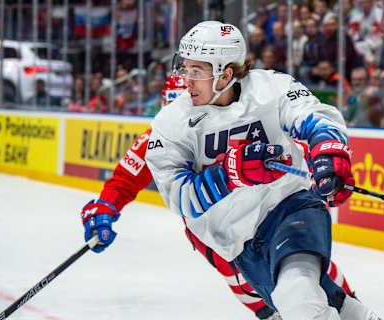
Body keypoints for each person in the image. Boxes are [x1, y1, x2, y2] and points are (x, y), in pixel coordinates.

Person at [144, 21, 381, 319]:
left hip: (291, 206)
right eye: (185, 68)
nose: (186, 80)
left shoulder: (271, 88)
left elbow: (314, 116)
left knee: (296, 294)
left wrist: (328, 151)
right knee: (322, 297)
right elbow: (180, 199)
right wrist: (230, 174)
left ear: (226, 74)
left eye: (197, 71)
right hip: (239, 243)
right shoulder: (171, 122)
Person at [80, 72, 358, 320]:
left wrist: (319, 159)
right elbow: (124, 180)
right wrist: (104, 208)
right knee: (269, 299)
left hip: (264, 218)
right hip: (221, 238)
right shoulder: (164, 136)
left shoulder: (240, 115)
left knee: (307, 274)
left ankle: (348, 308)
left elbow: (287, 141)